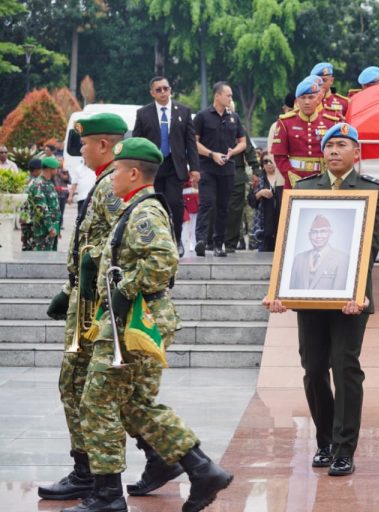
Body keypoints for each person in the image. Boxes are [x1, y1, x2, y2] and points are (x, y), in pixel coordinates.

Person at [67, 137, 232, 512]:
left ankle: (108, 495)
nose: (112, 179)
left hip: (135, 320)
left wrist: (124, 289)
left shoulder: (144, 211)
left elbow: (163, 260)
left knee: (97, 400)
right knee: (133, 404)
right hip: (130, 318)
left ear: (134, 172)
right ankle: (200, 468)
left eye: (118, 172)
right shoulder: (133, 207)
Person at [40, 113, 178, 503]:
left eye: (84, 143)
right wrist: (72, 287)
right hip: (89, 297)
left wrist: (92, 287)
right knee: (89, 390)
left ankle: (98, 476)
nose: (79, 150)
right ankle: (142, 461)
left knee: (88, 390)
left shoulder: (111, 187)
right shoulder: (106, 183)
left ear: (104, 145)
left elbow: (125, 247)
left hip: (101, 305)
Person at [263, 122, 379, 477]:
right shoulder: (304, 190)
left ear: (357, 153)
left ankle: (345, 448)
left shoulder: (371, 191)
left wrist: (356, 291)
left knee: (345, 366)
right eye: (329, 145)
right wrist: (280, 290)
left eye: (342, 145)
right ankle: (326, 440)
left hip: (352, 299)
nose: (334, 151)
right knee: (314, 368)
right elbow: (289, 242)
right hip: (311, 296)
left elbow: (371, 246)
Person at [133, 76, 200, 257]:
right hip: (152, 167)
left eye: (165, 88)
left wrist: (194, 167)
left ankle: (176, 240)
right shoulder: (143, 113)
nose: (163, 92)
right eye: (158, 90)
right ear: (152, 93)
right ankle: (153, 242)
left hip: (174, 165)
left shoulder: (184, 112)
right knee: (152, 204)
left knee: (174, 204)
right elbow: (136, 142)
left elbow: (190, 143)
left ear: (170, 90)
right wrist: (136, 167)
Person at [193, 81, 247, 257]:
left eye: (231, 95)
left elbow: (243, 143)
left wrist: (233, 152)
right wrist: (211, 154)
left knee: (224, 206)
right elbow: (194, 142)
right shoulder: (202, 116)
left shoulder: (234, 117)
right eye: (228, 95)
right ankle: (200, 240)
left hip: (227, 168)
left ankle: (218, 244)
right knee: (207, 203)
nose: (230, 98)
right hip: (207, 167)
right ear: (217, 96)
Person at [272, 76, 341, 189]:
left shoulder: (331, 123)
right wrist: (294, 179)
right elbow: (279, 156)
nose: (307, 102)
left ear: (318, 99)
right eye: (303, 98)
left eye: (311, 97)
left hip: (324, 179)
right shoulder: (285, 123)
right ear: (297, 101)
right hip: (294, 180)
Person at [225, 119, 259, 253]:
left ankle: (230, 243)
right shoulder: (207, 122)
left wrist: (255, 168)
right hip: (214, 170)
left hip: (236, 170)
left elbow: (249, 149)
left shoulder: (239, 127)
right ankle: (209, 240)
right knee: (213, 206)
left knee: (235, 210)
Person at [290, 214, 350, 290]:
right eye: (314, 232)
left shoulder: (342, 259)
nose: (318, 236)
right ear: (309, 235)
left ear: (330, 233)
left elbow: (340, 294)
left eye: (323, 231)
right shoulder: (299, 259)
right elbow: (289, 290)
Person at [20, 156, 60, 251]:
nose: (58, 170)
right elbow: (42, 209)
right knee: (41, 259)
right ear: (51, 169)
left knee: (50, 256)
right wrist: (50, 228)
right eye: (56, 168)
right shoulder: (39, 184)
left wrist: (56, 227)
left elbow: (53, 207)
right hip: (42, 230)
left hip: (51, 229)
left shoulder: (48, 183)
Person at [248, 153, 280, 251]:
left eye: (271, 161)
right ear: (262, 164)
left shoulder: (283, 178)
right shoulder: (258, 180)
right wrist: (260, 193)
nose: (269, 164)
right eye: (266, 161)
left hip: (280, 224)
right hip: (264, 226)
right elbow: (251, 201)